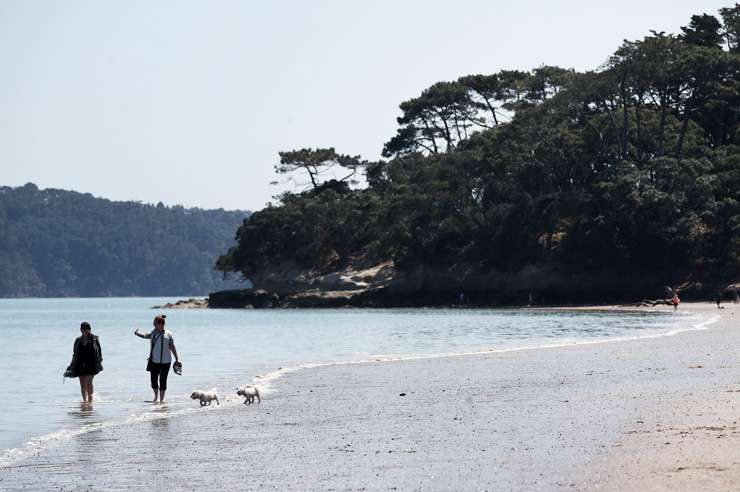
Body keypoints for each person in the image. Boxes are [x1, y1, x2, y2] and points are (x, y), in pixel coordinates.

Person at [134, 314, 180, 403]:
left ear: (161, 324)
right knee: (153, 381)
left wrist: (177, 359)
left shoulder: (168, 334)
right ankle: (156, 398)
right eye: (154, 323)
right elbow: (144, 335)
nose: (154, 325)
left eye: (155, 323)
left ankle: (161, 400)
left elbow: (172, 347)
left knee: (163, 381)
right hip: (154, 361)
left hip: (166, 362)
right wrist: (136, 333)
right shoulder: (153, 334)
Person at [68, 322, 103, 403]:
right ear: (81, 330)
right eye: (86, 330)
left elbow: (100, 352)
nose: (88, 331)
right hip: (80, 364)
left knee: (88, 382)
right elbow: (75, 354)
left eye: (89, 329)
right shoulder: (78, 340)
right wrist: (71, 365)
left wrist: (99, 362)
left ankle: (90, 401)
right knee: (82, 384)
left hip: (92, 364)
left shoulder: (94, 339)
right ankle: (85, 401)